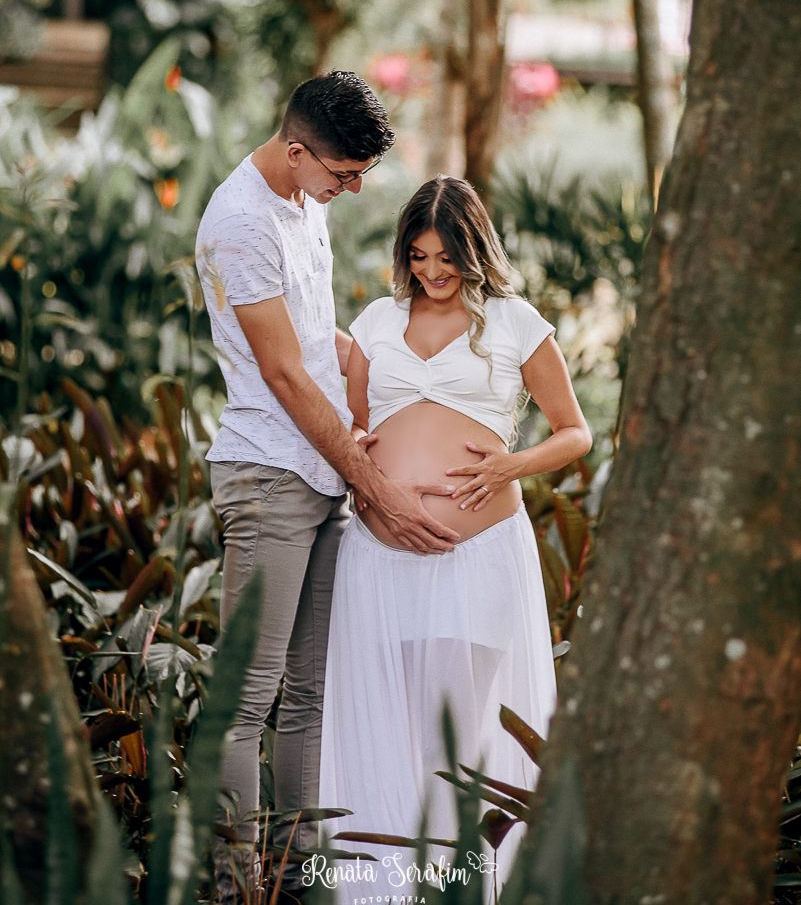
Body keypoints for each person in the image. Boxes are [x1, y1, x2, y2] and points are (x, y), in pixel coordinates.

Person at [195, 74, 460, 903]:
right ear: (297, 149)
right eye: (342, 174)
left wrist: (384, 363)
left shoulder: (302, 206)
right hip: (270, 474)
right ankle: (237, 884)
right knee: (246, 702)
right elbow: (278, 370)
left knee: (308, 694)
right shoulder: (240, 222)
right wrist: (371, 480)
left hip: (317, 475)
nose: (350, 192)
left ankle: (301, 873)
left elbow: (310, 339)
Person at [319, 176, 593, 898]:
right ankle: (386, 888)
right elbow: (354, 429)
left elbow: (575, 432)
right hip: (377, 560)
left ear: (475, 252)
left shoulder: (513, 322)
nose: (432, 273)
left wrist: (511, 462)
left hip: (478, 556)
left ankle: (456, 885)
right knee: (389, 726)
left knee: (457, 735)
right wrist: (376, 485)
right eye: (417, 256)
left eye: (447, 258)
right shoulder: (377, 320)